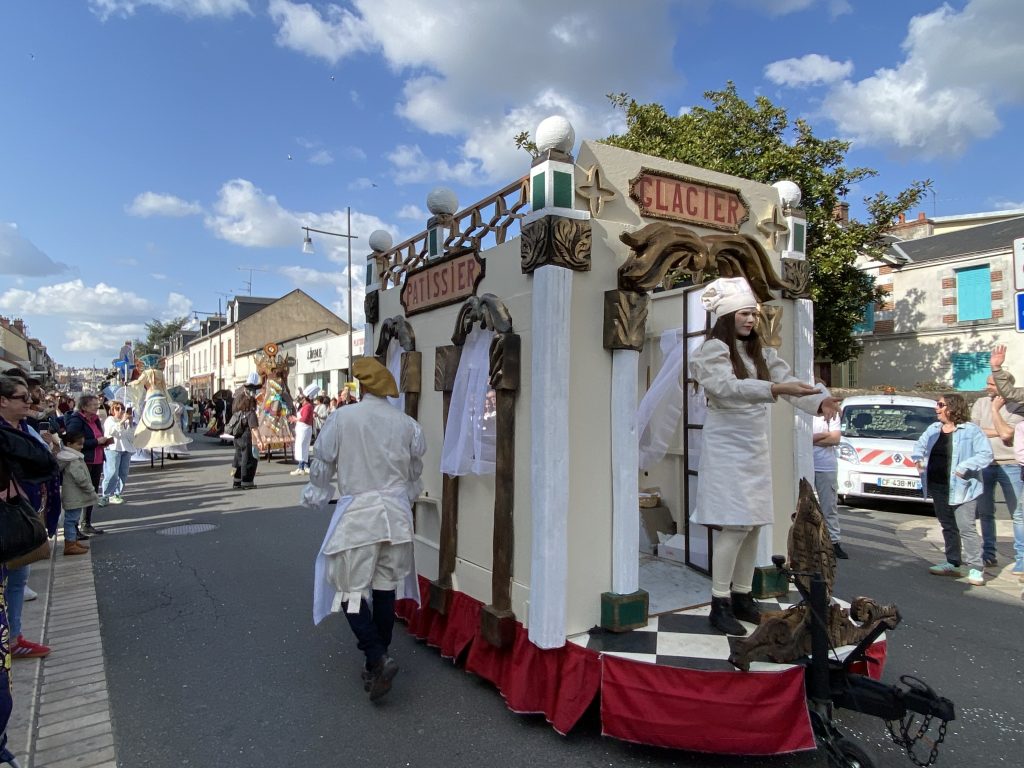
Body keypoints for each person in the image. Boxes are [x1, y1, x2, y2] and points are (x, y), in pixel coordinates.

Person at [688, 278, 839, 636]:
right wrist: (773, 388)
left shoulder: (762, 353)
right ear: (726, 316)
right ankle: (719, 602)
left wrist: (819, 401)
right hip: (726, 446)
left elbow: (789, 382)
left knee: (754, 522)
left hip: (754, 446)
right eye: (743, 313)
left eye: (752, 314)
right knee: (735, 523)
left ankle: (742, 596)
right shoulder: (712, 351)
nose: (750, 320)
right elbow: (725, 389)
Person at [305, 358, 425, 701]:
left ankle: (376, 654)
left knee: (349, 591)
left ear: (361, 386)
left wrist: (316, 493)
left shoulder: (343, 418)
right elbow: (415, 474)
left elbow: (322, 464)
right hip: (397, 518)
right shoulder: (407, 425)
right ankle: (377, 660)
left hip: (360, 518)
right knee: (385, 587)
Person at [912, 393, 992, 586]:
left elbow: (986, 455)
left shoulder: (971, 431)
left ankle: (975, 567)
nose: (936, 408)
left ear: (953, 408)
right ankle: (953, 562)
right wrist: (919, 460)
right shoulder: (933, 429)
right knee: (947, 525)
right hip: (938, 485)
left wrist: (965, 467)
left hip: (963, 487)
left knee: (966, 528)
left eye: (940, 405)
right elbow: (919, 447)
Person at [970, 374, 1024, 567]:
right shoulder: (980, 402)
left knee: (1018, 513)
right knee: (985, 512)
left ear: (1005, 385)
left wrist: (995, 410)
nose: (988, 387)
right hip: (985, 464)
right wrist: (1000, 430)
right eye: (987, 383)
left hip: (1011, 464)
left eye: (992, 384)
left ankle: (1022, 559)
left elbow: (1009, 433)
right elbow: (973, 430)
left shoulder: (1017, 405)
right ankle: (988, 553)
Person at [65, 394, 112, 534]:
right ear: (84, 407)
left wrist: (103, 442)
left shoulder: (95, 419)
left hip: (97, 459)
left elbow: (97, 436)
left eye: (97, 404)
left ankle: (87, 523)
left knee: (92, 492)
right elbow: (73, 441)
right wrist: (96, 442)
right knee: (80, 494)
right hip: (85, 461)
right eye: (93, 405)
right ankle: (74, 528)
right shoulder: (77, 420)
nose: (97, 406)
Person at [813, 411, 847, 559]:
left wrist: (810, 438)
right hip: (805, 462)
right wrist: (822, 436)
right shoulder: (800, 409)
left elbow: (835, 439)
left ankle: (833, 542)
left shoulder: (831, 412)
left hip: (825, 466)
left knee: (829, 506)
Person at [57, 430, 96, 556]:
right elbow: (80, 478)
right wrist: (90, 489)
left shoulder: (70, 457)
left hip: (74, 495)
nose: (82, 447)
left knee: (73, 519)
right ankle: (70, 544)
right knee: (71, 519)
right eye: (79, 444)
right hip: (74, 495)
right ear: (69, 444)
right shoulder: (72, 459)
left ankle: (72, 541)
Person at [229, 374, 262, 490]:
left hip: (237, 433)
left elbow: (232, 411)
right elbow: (254, 426)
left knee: (238, 457)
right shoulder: (250, 405)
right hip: (246, 434)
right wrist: (259, 440)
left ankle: (237, 481)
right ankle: (247, 482)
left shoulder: (238, 398)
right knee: (247, 459)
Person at [101, 401, 135, 504]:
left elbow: (130, 436)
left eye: (122, 409)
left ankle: (117, 493)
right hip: (113, 448)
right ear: (113, 410)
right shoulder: (110, 420)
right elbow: (112, 432)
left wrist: (130, 423)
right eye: (117, 409)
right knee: (112, 473)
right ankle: (106, 495)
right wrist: (121, 422)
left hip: (125, 449)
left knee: (123, 473)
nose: (121, 411)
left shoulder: (126, 422)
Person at [289, 385, 318, 475]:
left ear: (306, 399)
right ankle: (304, 466)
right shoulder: (306, 406)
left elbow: (305, 419)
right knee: (302, 448)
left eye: (302, 399)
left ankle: (301, 467)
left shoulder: (308, 406)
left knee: (301, 447)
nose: (301, 400)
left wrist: (295, 419)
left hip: (304, 429)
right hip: (303, 429)